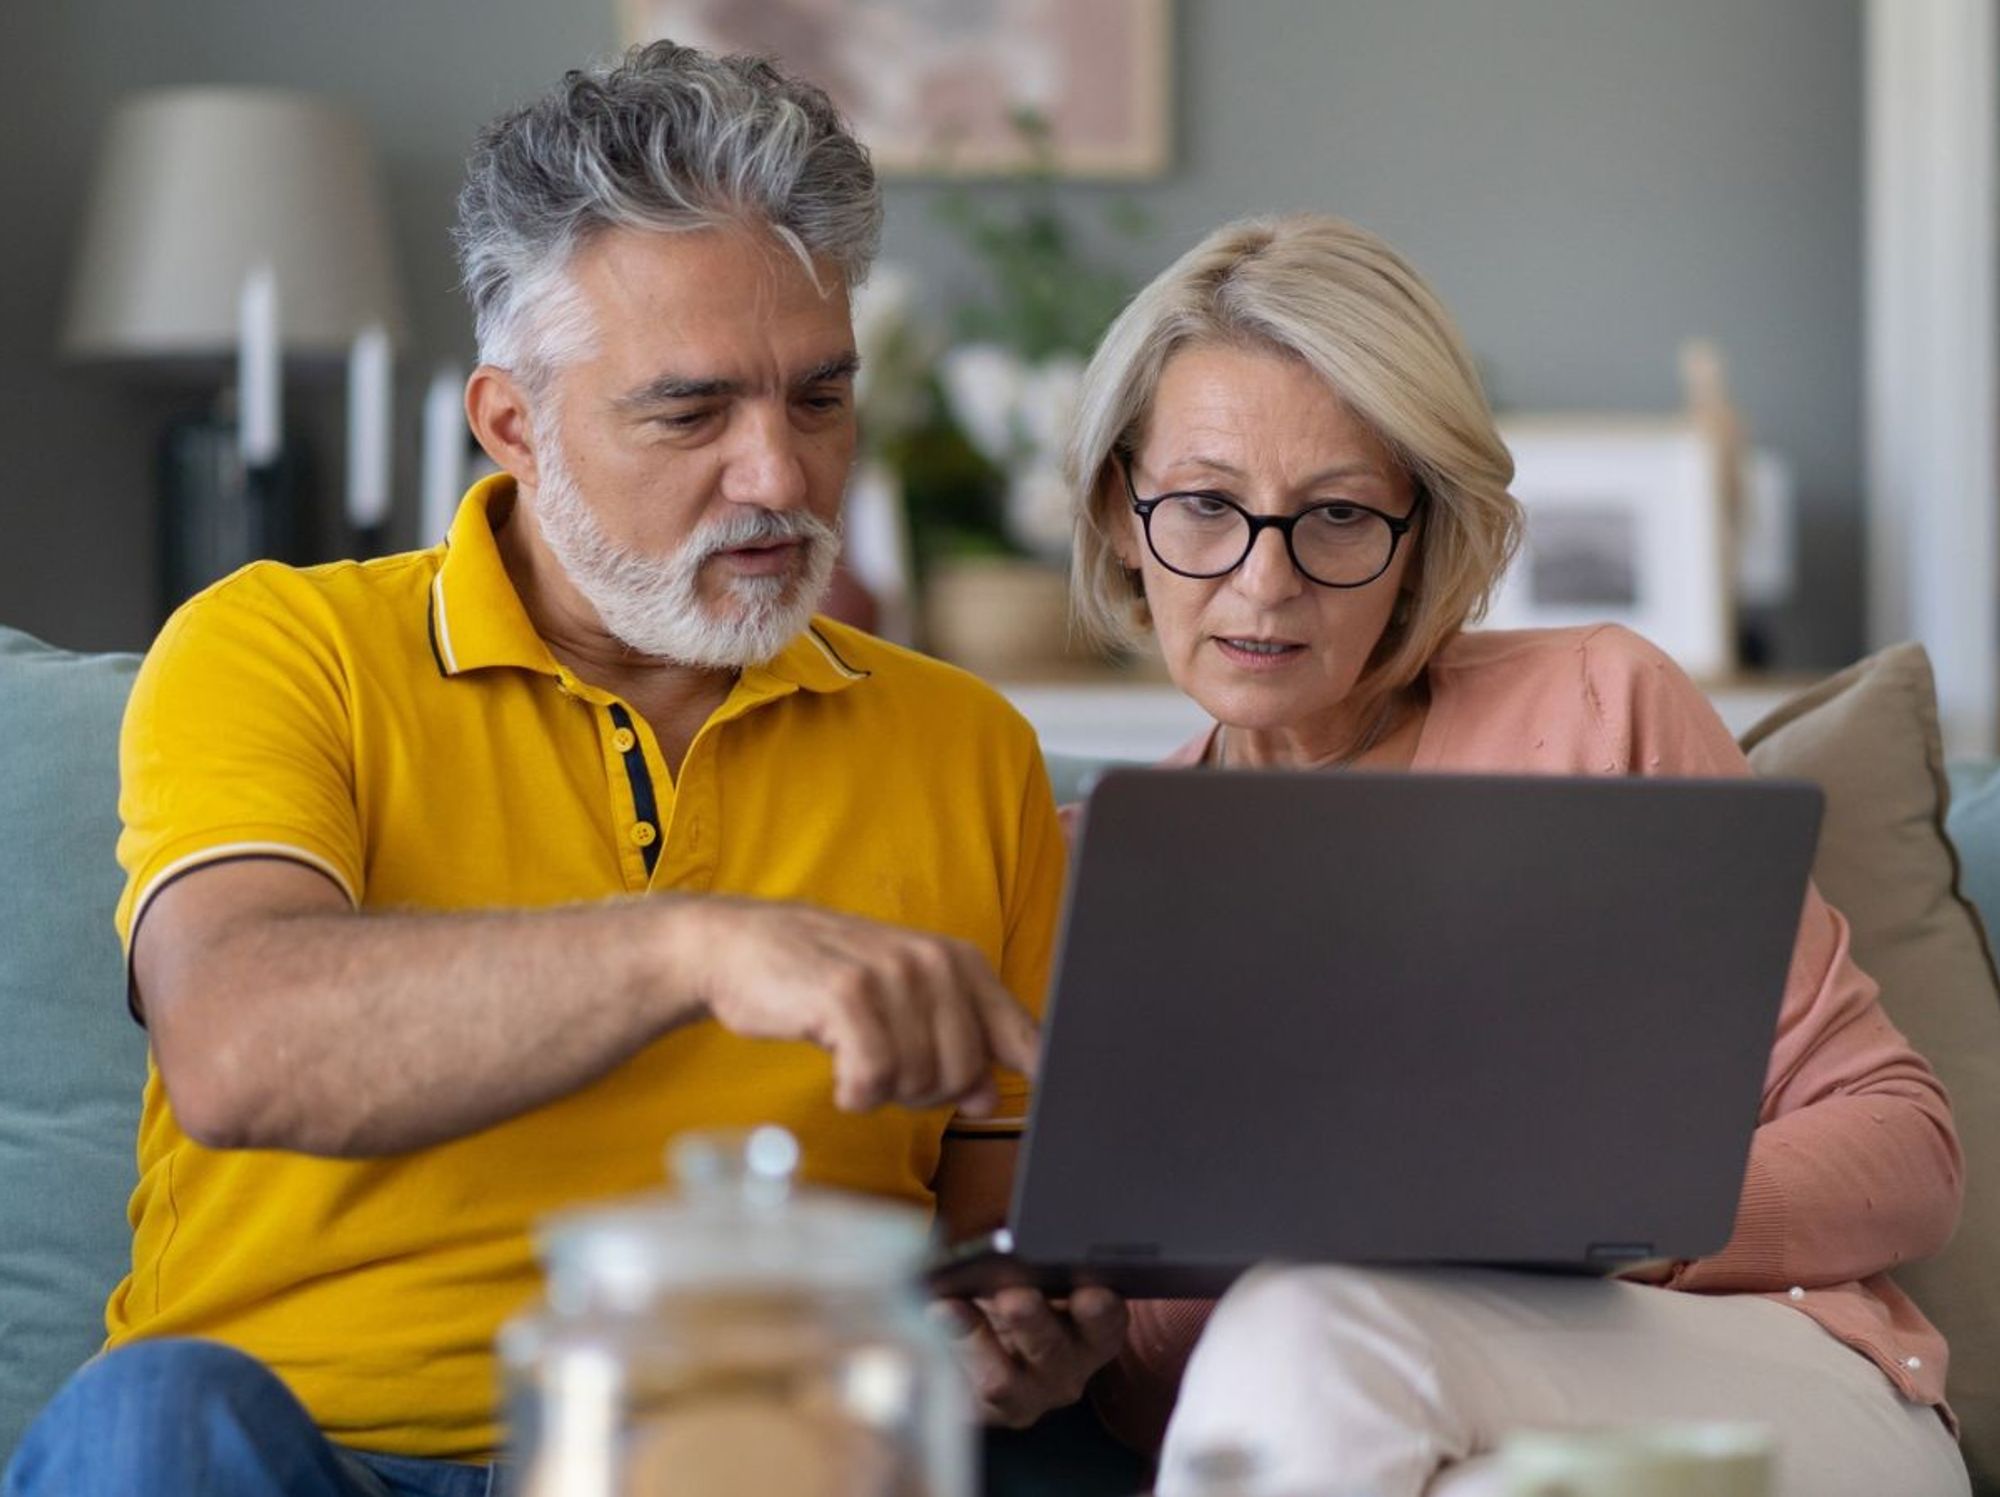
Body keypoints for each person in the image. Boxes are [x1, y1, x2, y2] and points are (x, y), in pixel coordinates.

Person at [3, 42, 1126, 1497]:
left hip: (736, 1454)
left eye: (820, 398)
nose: (780, 476)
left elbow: (993, 1232)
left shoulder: (962, 747)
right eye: (691, 411)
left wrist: (1020, 1344)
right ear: (512, 424)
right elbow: (238, 1045)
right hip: (313, 1456)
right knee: (153, 1419)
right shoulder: (283, 648)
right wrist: (693, 947)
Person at [1063, 214, 1971, 1497]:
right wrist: (1090, 1328)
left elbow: (1906, 1148)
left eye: (1333, 517)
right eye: (1205, 506)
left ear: (1419, 531)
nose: (1262, 585)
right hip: (1382, 1422)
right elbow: (1177, 1401)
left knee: (1317, 1324)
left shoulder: (1598, 707)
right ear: (1119, 508)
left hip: (1757, 1369)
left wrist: (1594, 1220)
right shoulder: (1094, 870)